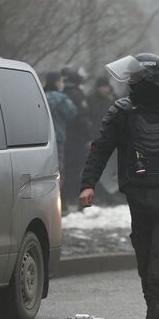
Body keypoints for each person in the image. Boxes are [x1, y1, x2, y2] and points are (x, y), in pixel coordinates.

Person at [79, 53, 159, 319]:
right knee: (145, 258)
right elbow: (101, 148)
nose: (131, 83)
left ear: (148, 79)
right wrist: (89, 183)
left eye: (136, 78)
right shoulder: (123, 110)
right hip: (139, 196)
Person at [43, 71, 78, 209]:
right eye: (60, 81)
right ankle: (59, 203)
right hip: (58, 138)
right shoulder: (60, 98)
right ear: (56, 82)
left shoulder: (40, 95)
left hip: (41, 139)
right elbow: (72, 112)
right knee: (59, 171)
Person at [61, 65, 93, 211]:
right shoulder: (77, 94)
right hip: (77, 140)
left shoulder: (62, 93)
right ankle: (76, 201)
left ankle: (65, 200)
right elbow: (82, 119)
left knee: (66, 171)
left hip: (65, 139)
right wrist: (88, 137)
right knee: (77, 171)